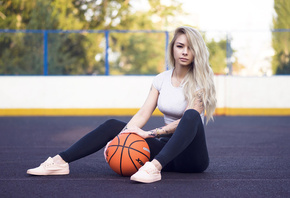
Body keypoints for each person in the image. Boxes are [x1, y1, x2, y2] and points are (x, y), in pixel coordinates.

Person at [27, 26, 217, 184]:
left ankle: (154, 169)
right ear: (172, 49)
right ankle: (60, 162)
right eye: (180, 46)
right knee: (113, 125)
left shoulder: (201, 81)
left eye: (190, 48)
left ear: (196, 52)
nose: (184, 52)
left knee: (191, 116)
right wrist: (121, 136)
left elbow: (187, 121)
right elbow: (143, 113)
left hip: (191, 158)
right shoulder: (161, 80)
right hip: (165, 151)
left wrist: (151, 133)